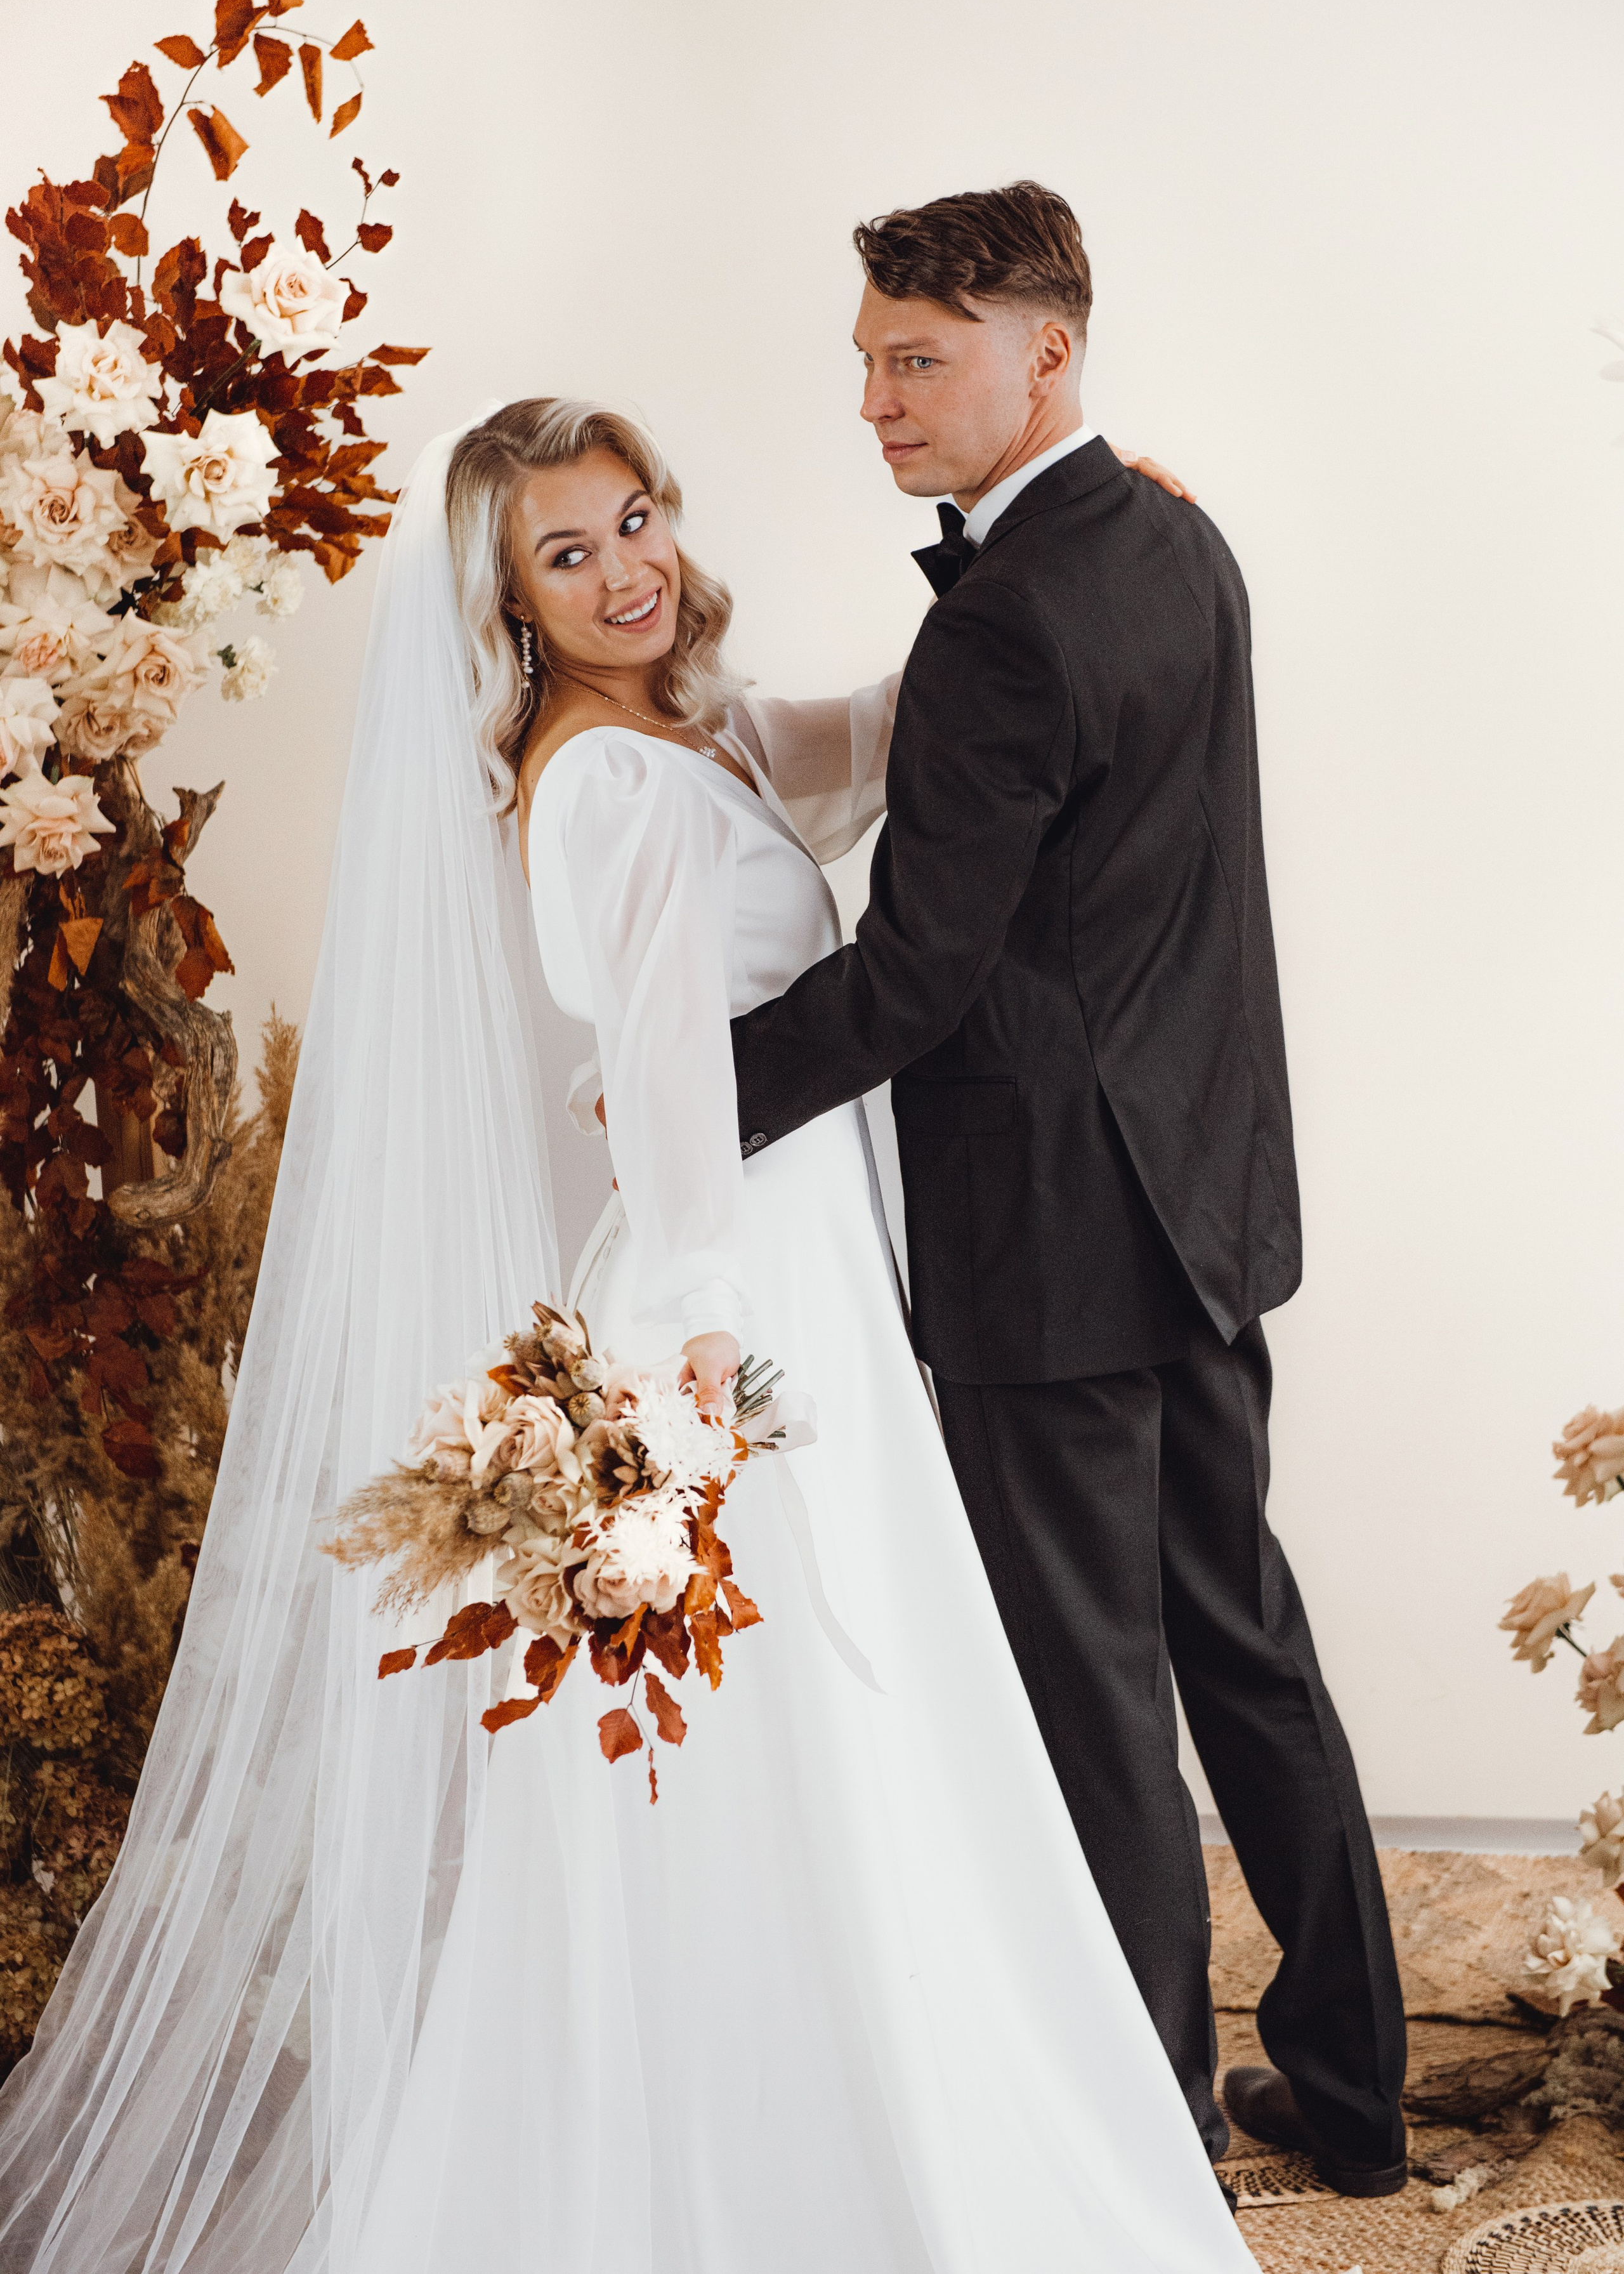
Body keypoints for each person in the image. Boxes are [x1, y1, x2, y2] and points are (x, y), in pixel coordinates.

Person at [0, 400, 1255, 2273]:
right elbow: (669, 1082)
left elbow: (870, 746)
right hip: (736, 1275)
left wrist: (1052, 539)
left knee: (828, 1704)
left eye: (637, 518)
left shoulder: (687, 726)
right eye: (566, 555)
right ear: (508, 607)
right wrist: (716, 1353)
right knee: (813, 1705)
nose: (625, 568)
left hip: (768, 1245)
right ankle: (798, 2120)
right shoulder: (607, 779)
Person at [728, 180, 1410, 2196]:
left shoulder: (1008, 621)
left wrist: (692, 1085)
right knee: (1242, 1639)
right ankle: (1357, 2093)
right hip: (1203, 1196)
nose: (877, 401)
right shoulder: (1176, 536)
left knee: (1096, 1690)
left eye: (918, 360)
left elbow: (918, 975)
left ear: (1048, 351)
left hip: (1052, 1227)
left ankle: (1149, 2135)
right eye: (864, 363)